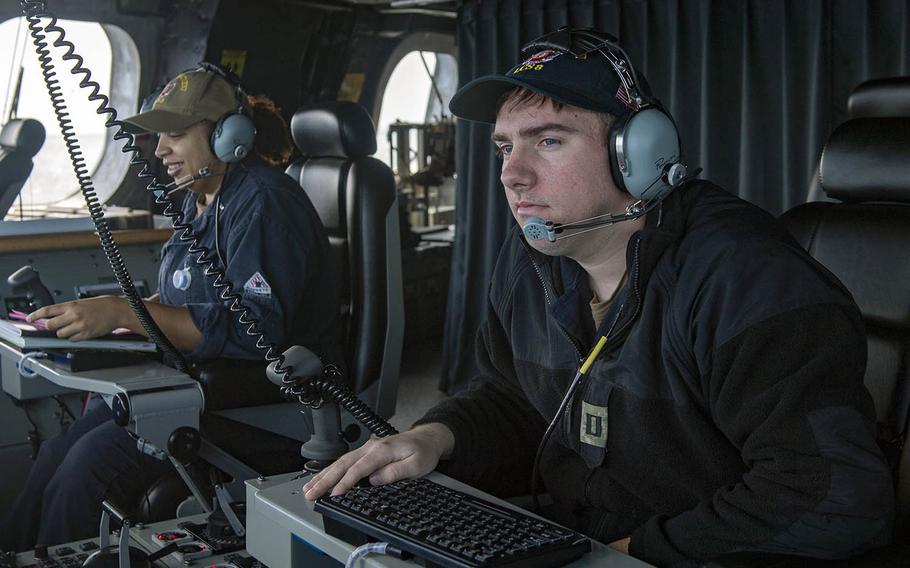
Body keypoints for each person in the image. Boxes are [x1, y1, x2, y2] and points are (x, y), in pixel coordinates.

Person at [302, 27, 895, 566]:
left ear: (639, 155)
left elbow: (832, 498)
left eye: (549, 141)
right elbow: (517, 399)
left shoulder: (747, 279)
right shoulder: (533, 257)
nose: (512, 174)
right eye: (505, 147)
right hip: (579, 533)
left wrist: (629, 553)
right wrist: (434, 436)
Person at [0, 65, 340, 551]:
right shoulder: (199, 202)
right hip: (192, 384)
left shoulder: (264, 204)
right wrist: (107, 320)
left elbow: (254, 333)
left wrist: (124, 312)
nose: (159, 152)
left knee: (89, 464)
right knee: (59, 449)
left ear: (228, 135)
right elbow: (187, 302)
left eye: (175, 135)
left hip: (261, 404)